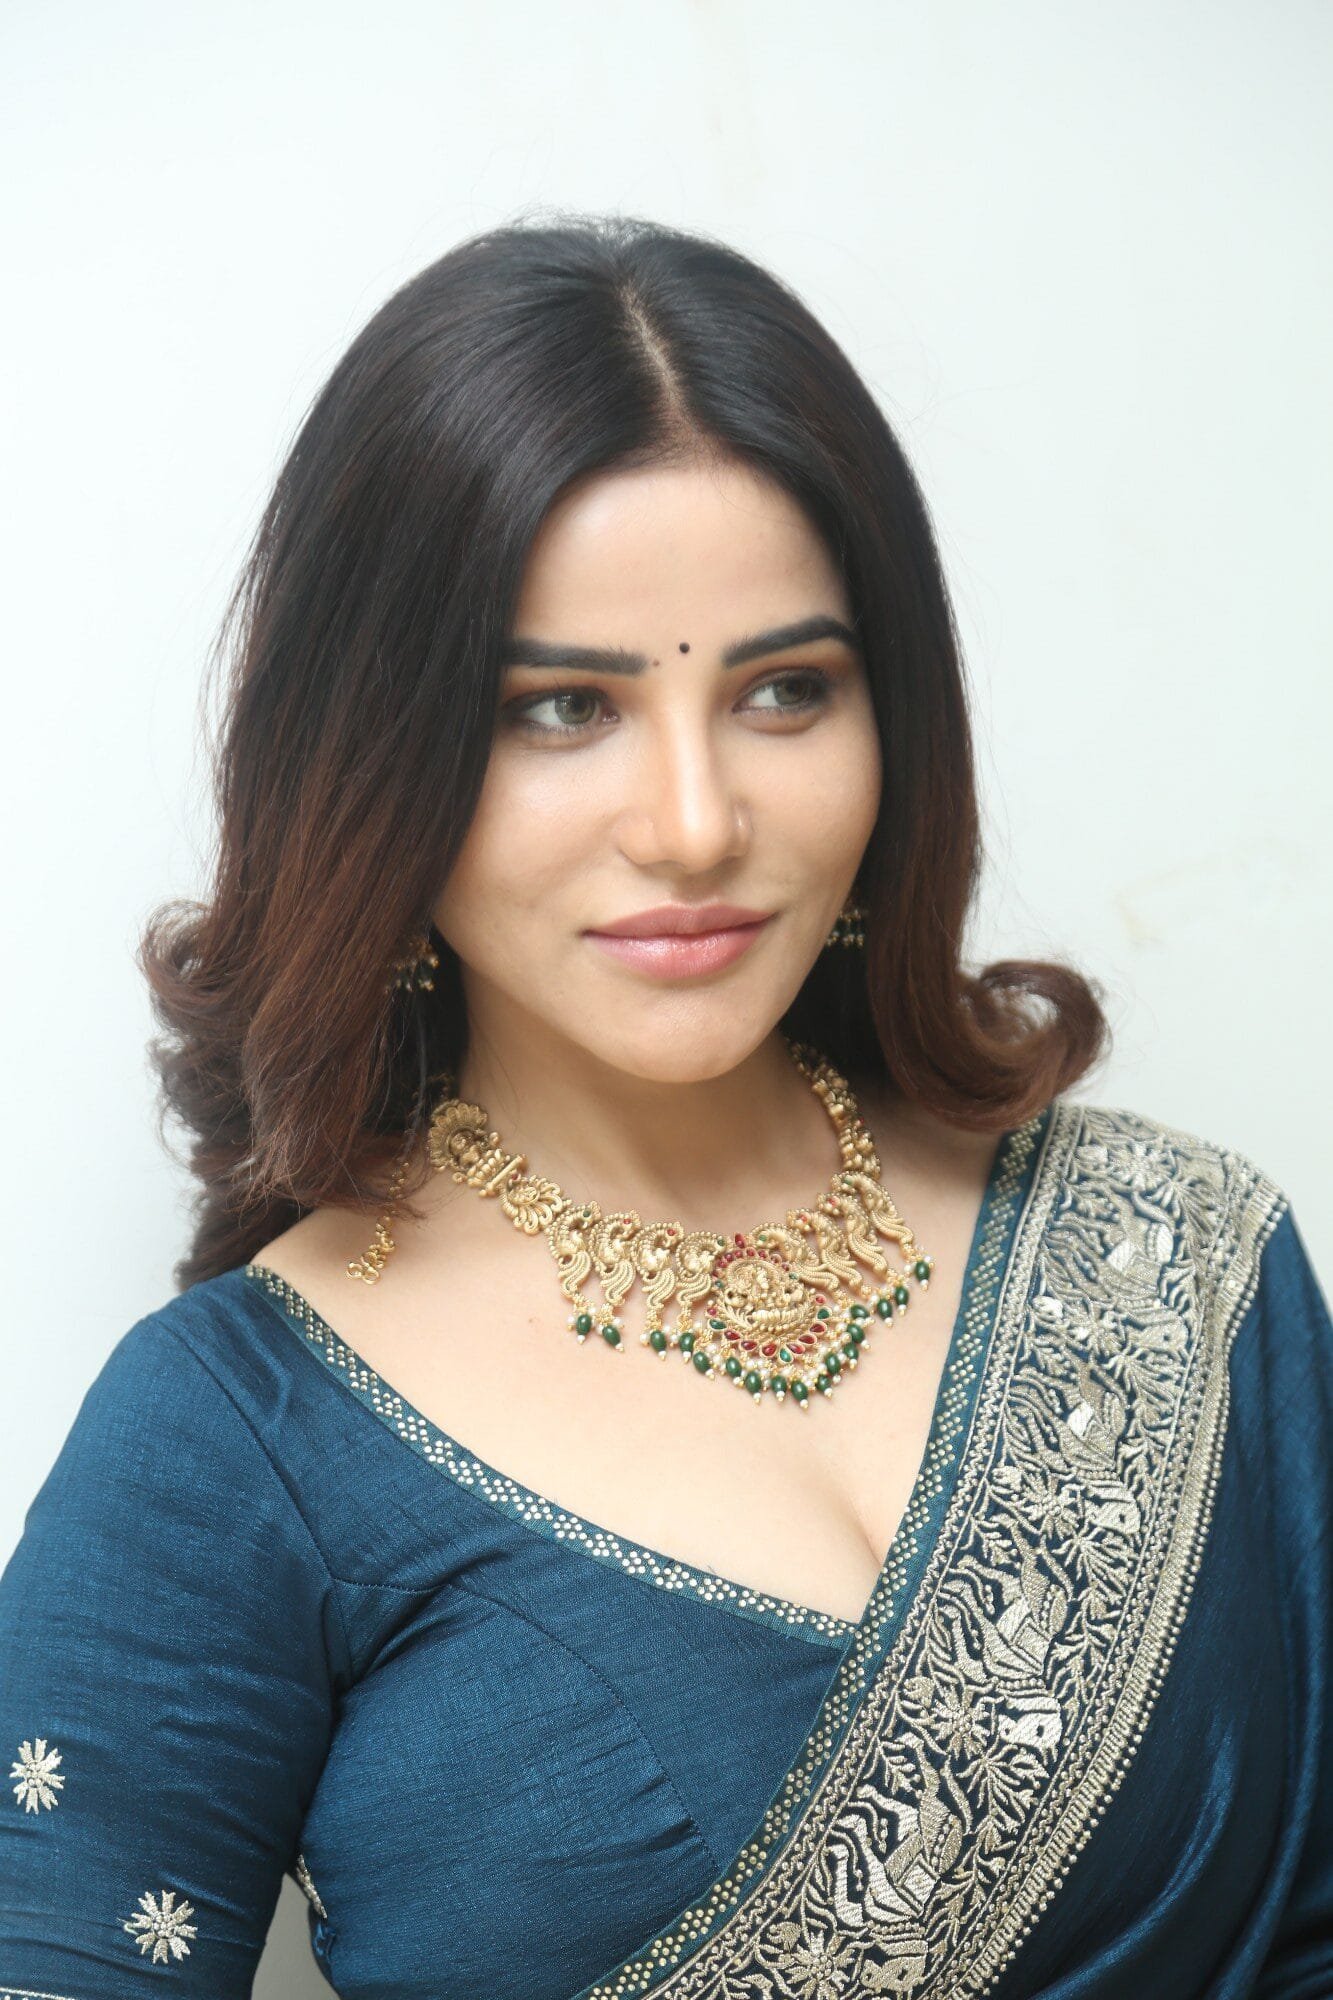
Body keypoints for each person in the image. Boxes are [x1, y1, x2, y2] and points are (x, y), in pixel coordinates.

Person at [1, 215, 1327, 2000]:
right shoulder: (234, 1437)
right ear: (372, 762)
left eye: (785, 691)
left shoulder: (1174, 1259)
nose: (695, 824)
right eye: (562, 709)